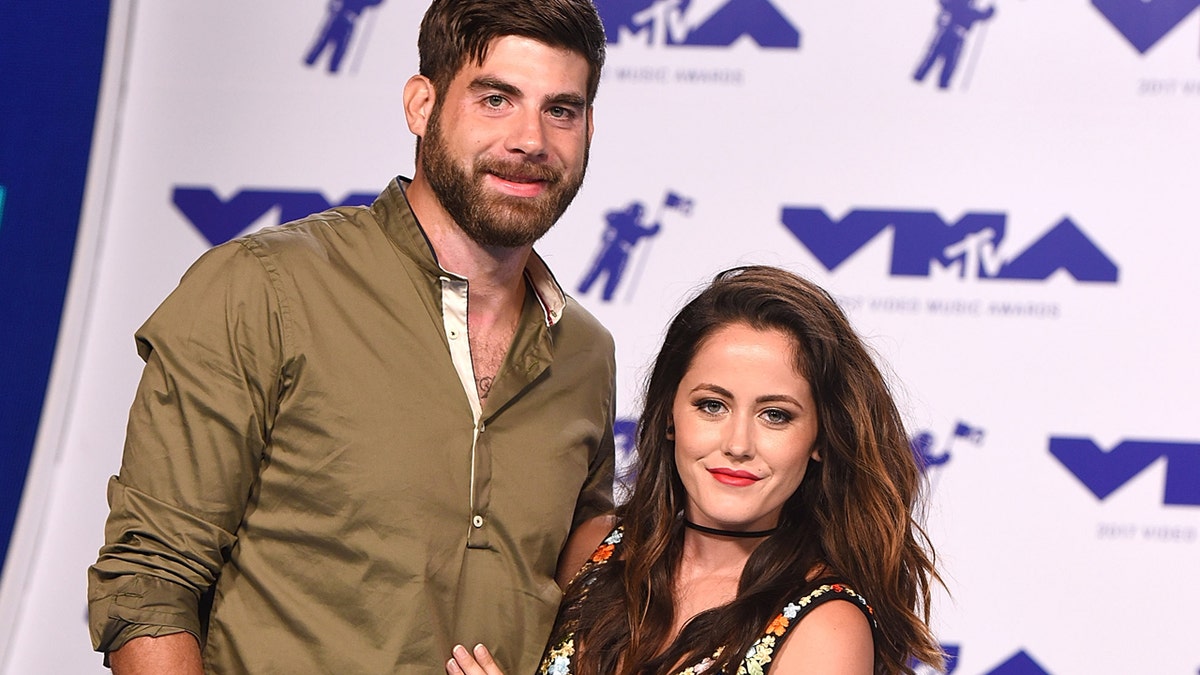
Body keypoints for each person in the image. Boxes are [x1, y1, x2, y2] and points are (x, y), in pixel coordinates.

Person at [87, 1, 614, 673]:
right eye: (495, 99)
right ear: (421, 105)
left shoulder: (585, 352)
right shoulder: (264, 289)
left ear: (589, 127)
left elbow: (585, 602)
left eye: (560, 110)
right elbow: (150, 580)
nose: (531, 139)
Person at [447, 266, 944, 675]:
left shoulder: (827, 626)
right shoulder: (594, 550)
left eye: (776, 415)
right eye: (712, 406)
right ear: (669, 415)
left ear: (818, 440)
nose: (738, 445)